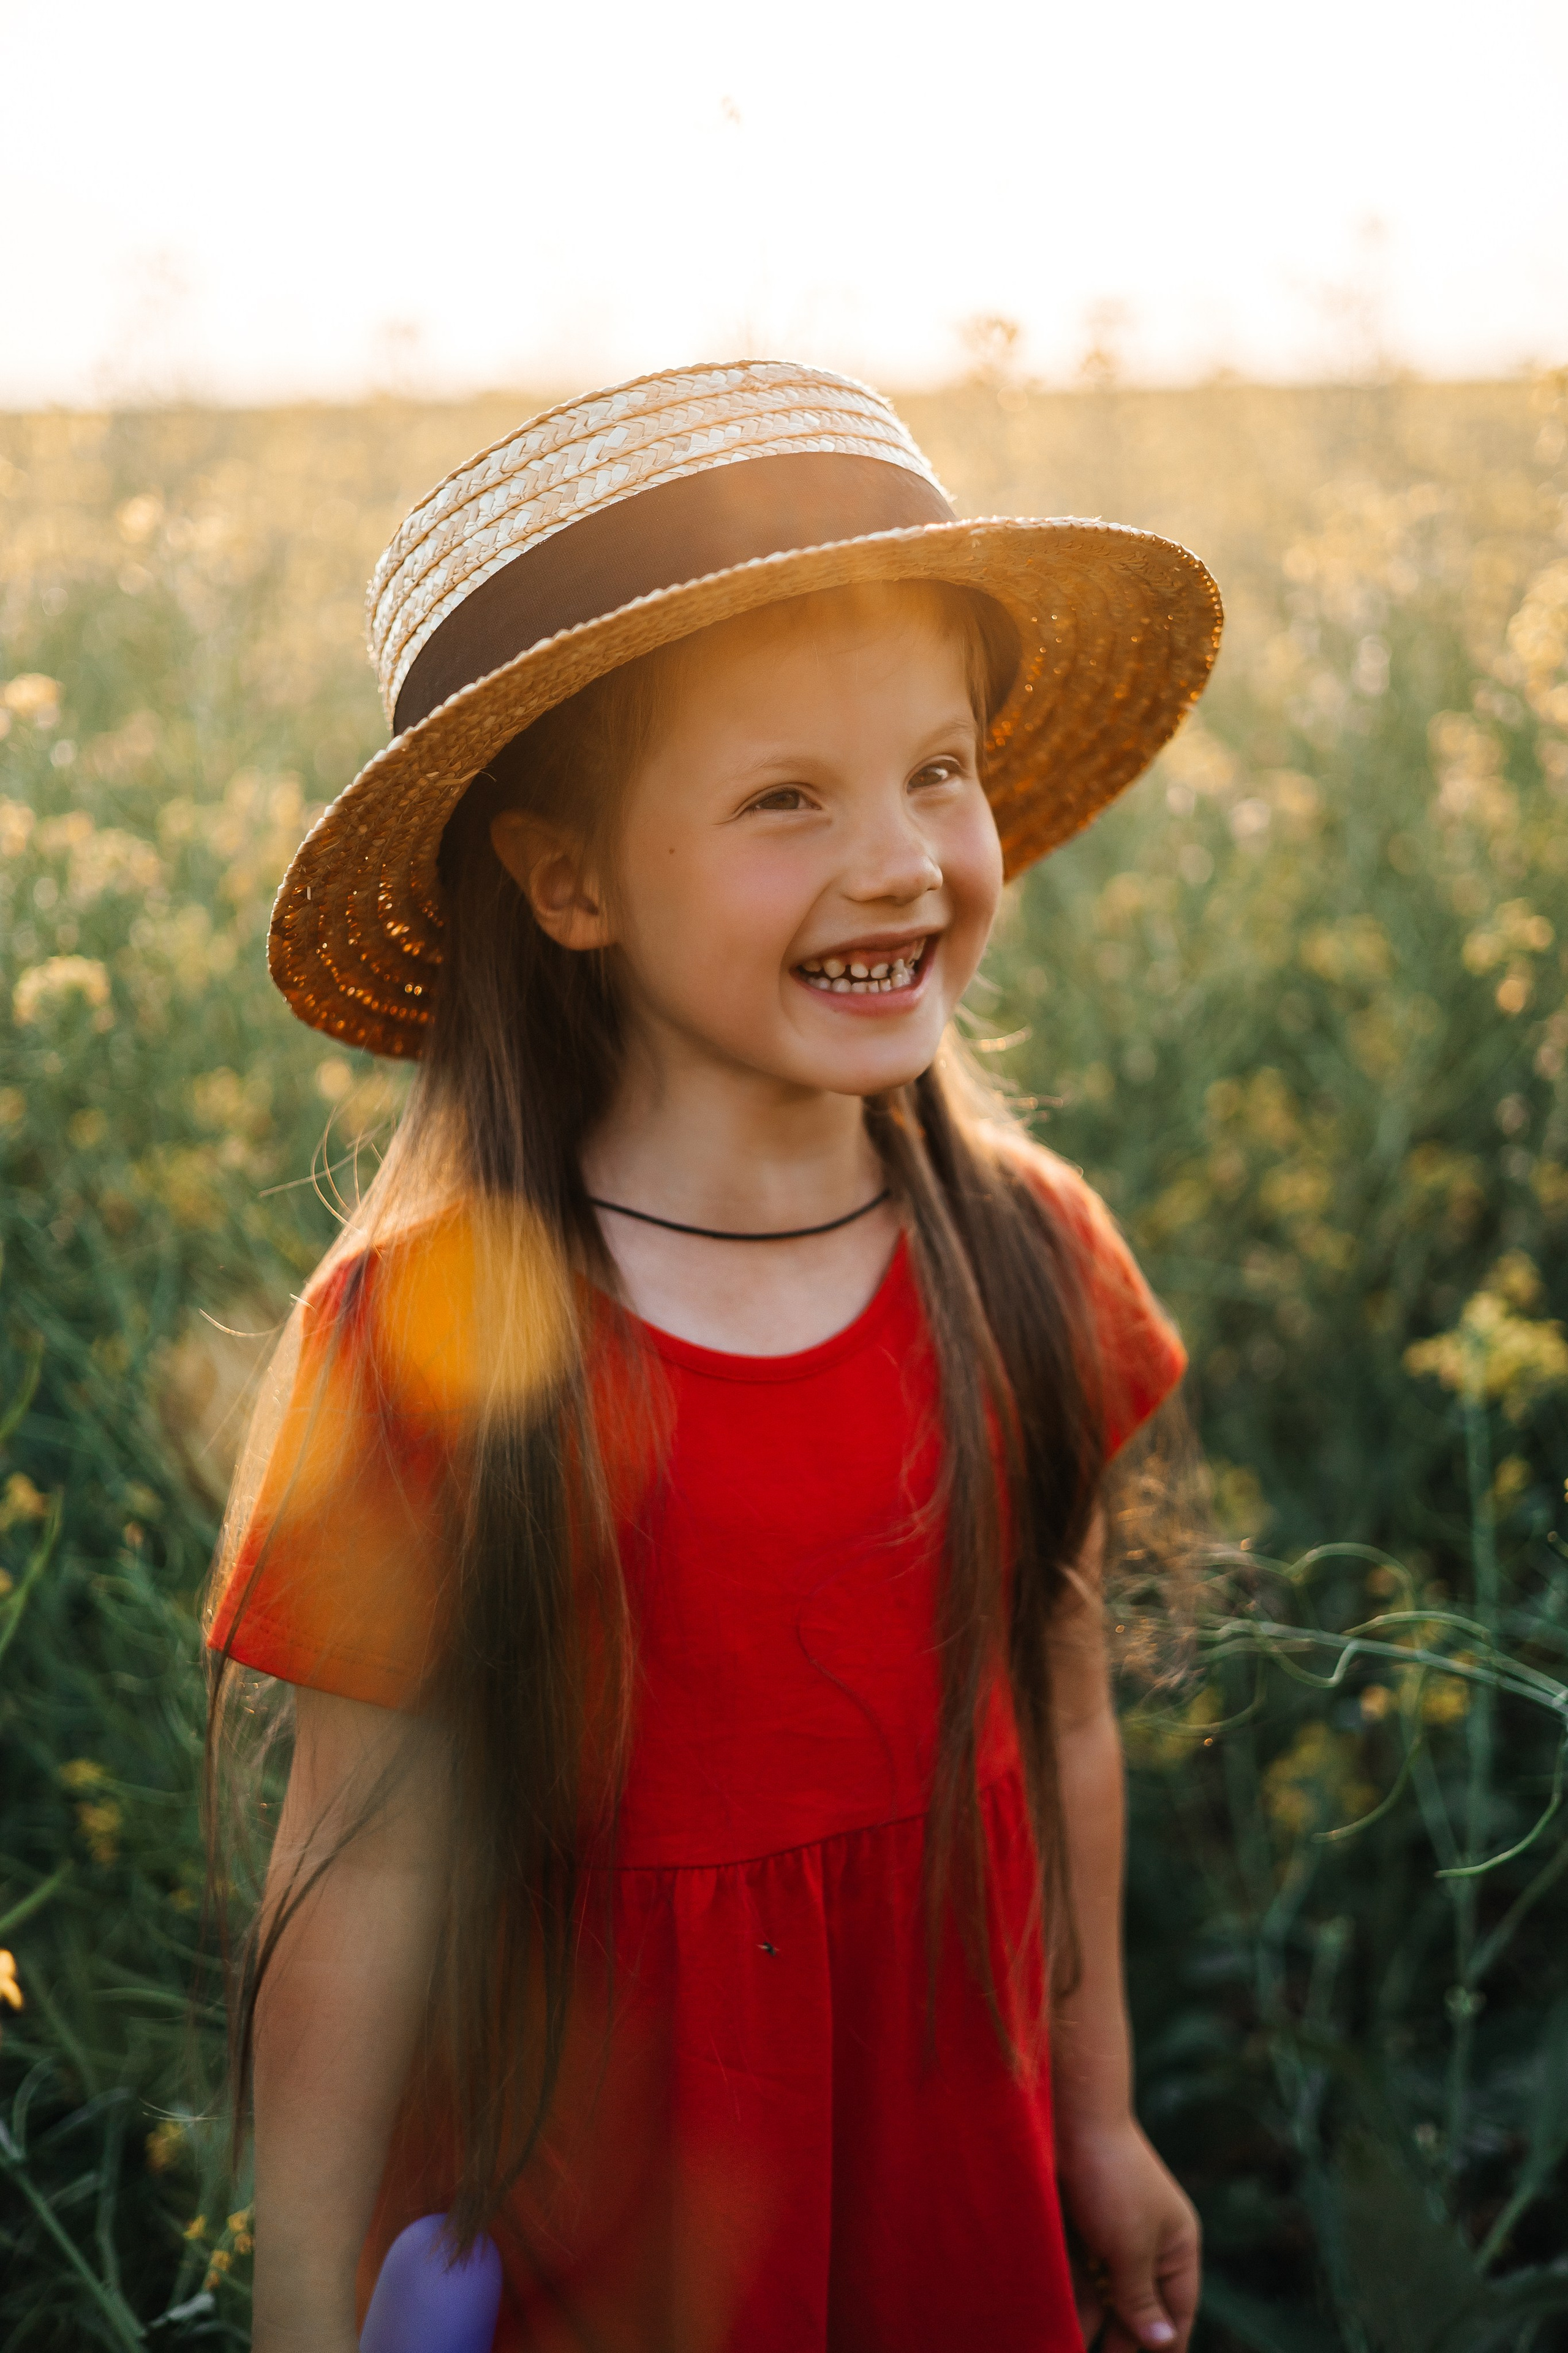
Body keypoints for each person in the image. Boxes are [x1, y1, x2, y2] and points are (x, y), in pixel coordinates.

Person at [205, 358, 1223, 2353]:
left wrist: (1099, 2120)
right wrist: (300, 2323)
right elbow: (356, 1872)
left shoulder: (1025, 1261)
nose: (905, 861)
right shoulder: (426, 1339)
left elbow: (1063, 1720)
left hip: (952, 2173)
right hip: (608, 2232)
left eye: (942, 766)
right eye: (787, 799)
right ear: (570, 880)